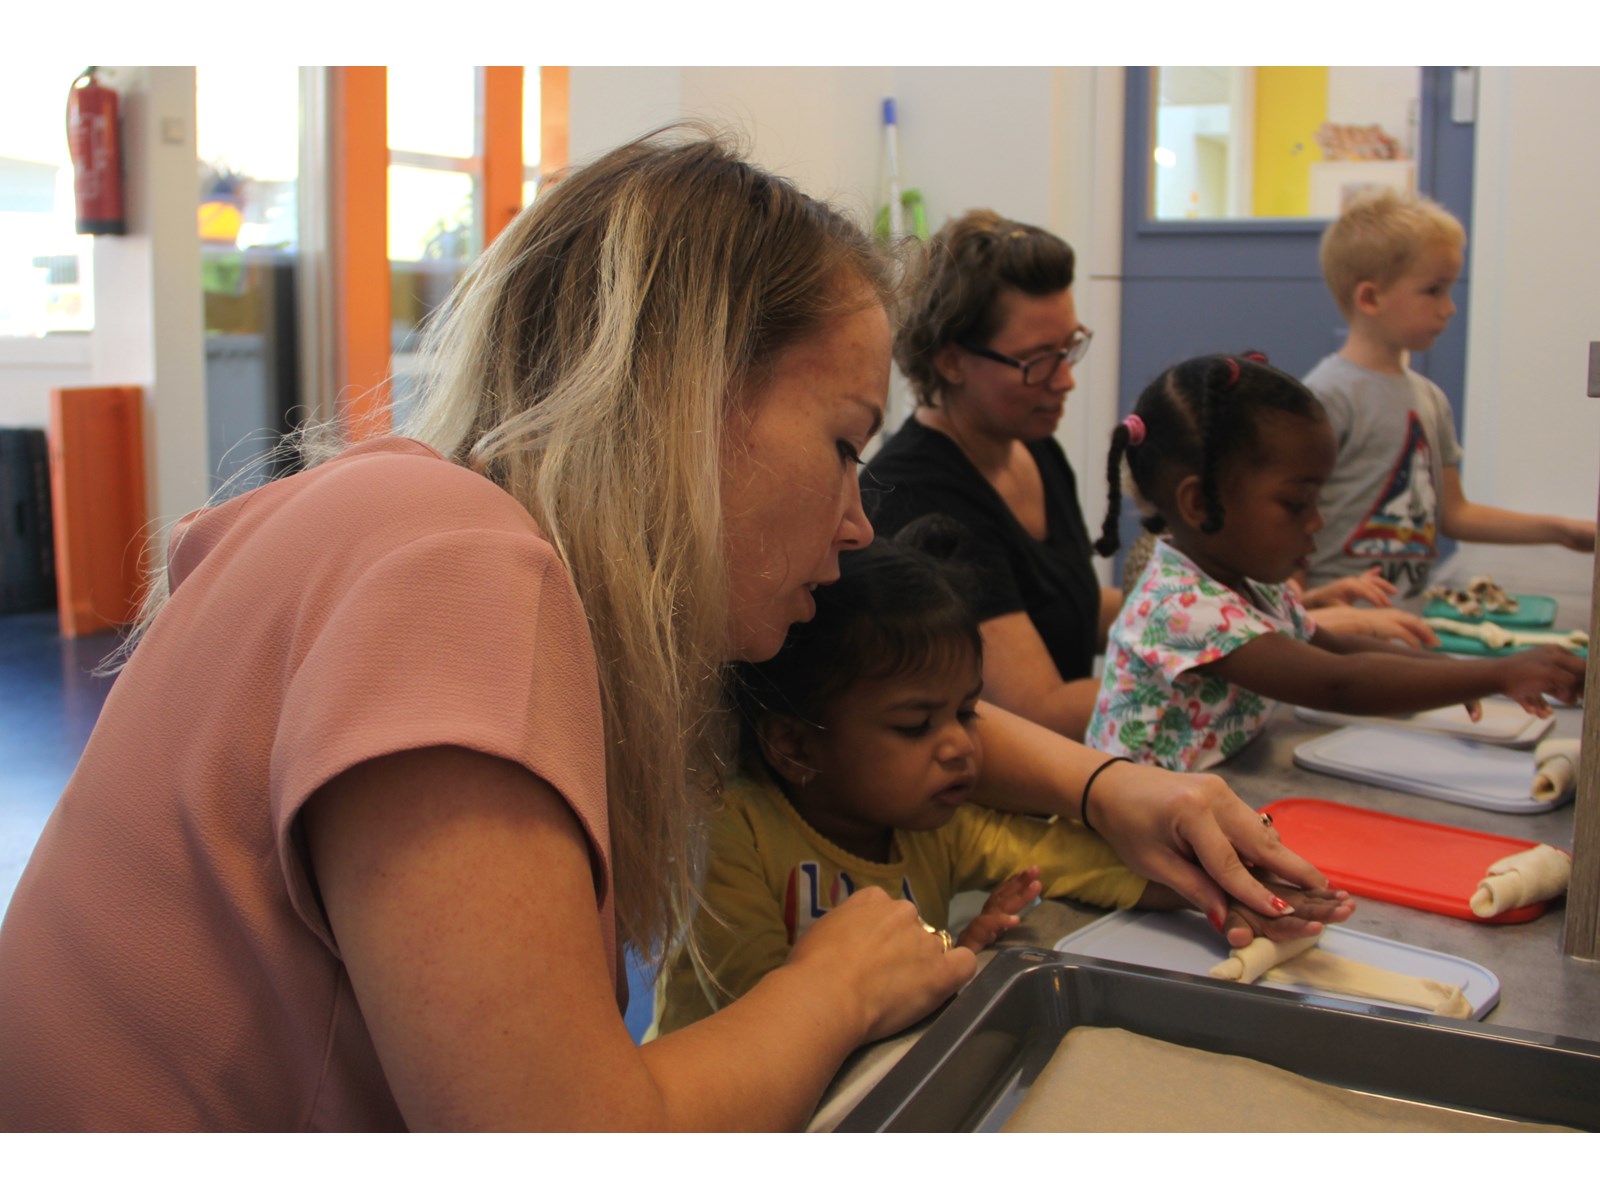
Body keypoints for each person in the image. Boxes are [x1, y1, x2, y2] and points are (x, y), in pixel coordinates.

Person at [0, 132, 1330, 1134]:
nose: (860, 523)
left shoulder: (423, 531)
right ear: (683, 393)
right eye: (840, 447)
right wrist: (837, 986)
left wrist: (1111, 786)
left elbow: (892, 702)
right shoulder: (461, 569)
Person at [651, 519, 1353, 1035]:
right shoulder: (732, 838)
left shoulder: (935, 822)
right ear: (795, 746)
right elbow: (761, 1021)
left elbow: (1080, 861)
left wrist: (1221, 884)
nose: (960, 746)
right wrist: (943, 960)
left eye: (965, 712)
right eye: (915, 725)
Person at [1085, 352, 1585, 772]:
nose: (1318, 521)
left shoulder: (1251, 584)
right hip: (1131, 842)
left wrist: (1465, 670)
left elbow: (1341, 649)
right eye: (1296, 503)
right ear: (1198, 504)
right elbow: (1337, 682)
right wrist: (1493, 676)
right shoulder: (1181, 606)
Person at [864, 210, 1113, 741]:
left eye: (1070, 347)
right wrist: (1208, 659)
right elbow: (1037, 711)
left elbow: (1065, 605)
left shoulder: (1034, 448)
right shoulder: (918, 496)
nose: (1065, 379)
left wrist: (1213, 615)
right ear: (952, 362)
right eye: (1038, 360)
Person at [1301, 187, 1595, 598]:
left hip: (1407, 622)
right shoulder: (1326, 397)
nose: (1449, 307)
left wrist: (1562, 531)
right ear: (1370, 297)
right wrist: (1303, 611)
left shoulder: (1430, 398)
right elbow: (1289, 518)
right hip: (1340, 628)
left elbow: (1454, 514)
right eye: (1433, 291)